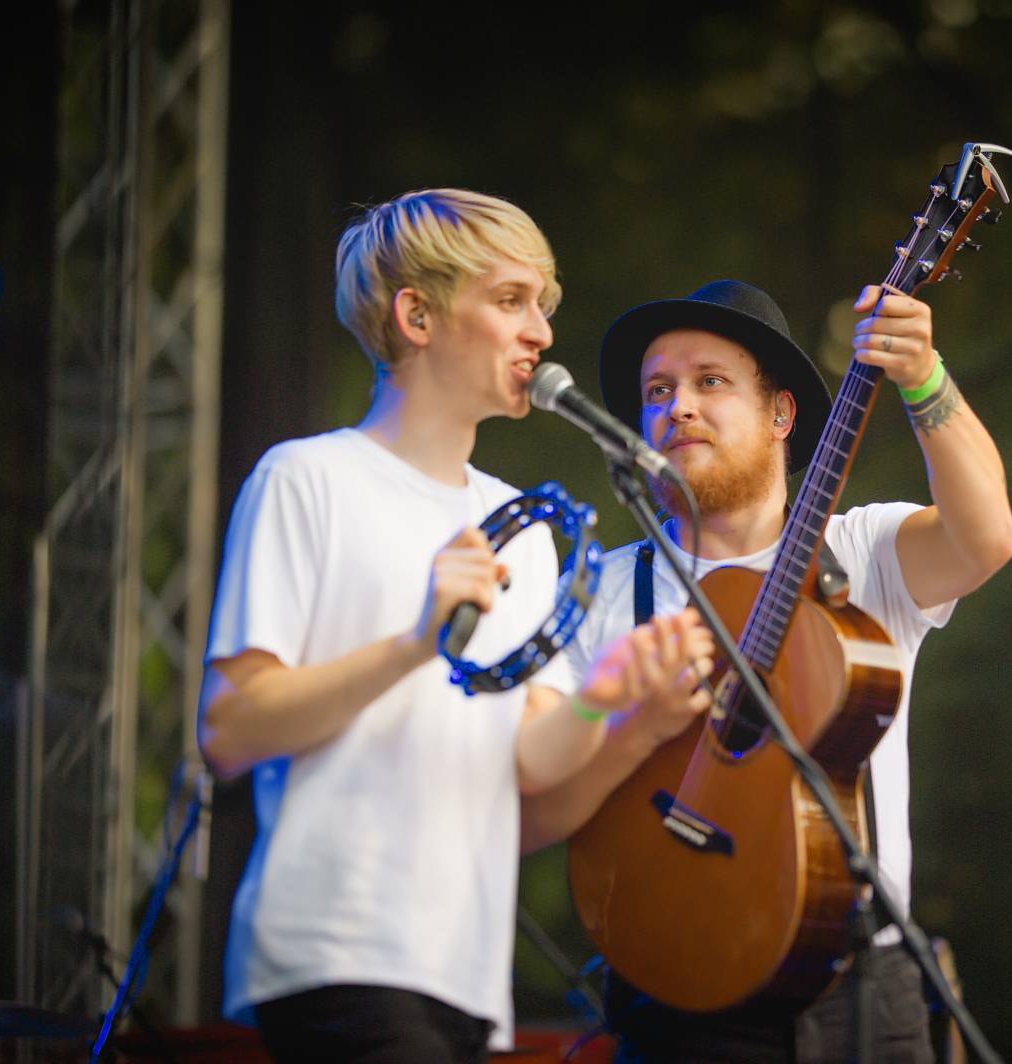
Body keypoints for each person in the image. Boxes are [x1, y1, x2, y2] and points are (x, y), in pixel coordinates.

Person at [196, 188, 713, 1064]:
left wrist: (608, 701)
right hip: (335, 946)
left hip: (464, 970)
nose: (541, 333)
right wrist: (414, 642)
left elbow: (530, 762)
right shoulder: (308, 479)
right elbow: (230, 730)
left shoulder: (525, 529)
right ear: (417, 315)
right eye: (511, 301)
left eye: (543, 308)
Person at [521, 279, 1012, 1063]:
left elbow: (985, 537)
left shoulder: (861, 552)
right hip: (672, 995)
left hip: (860, 990)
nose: (675, 407)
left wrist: (922, 377)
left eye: (708, 382)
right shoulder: (598, 589)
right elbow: (532, 787)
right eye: (657, 391)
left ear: (781, 415)